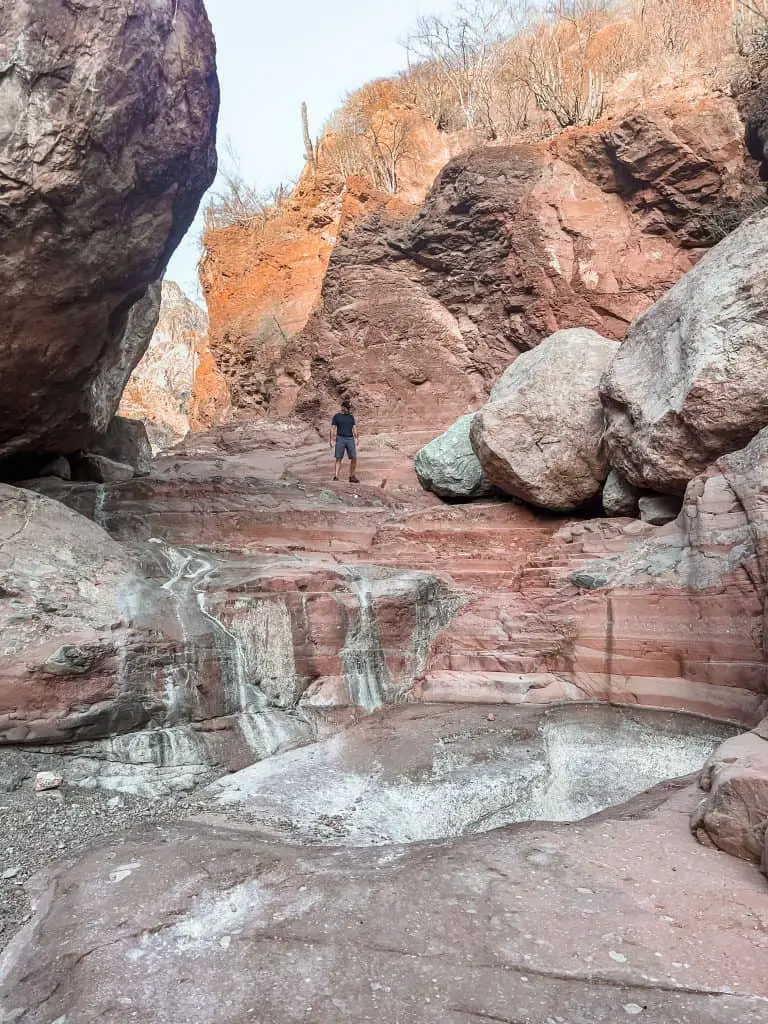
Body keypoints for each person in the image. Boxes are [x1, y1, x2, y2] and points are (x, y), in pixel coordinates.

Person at [330, 398, 359, 482]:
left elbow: (354, 428)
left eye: (349, 408)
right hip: (340, 438)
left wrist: (357, 438)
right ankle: (336, 476)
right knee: (338, 458)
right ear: (343, 407)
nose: (348, 409)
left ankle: (352, 476)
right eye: (347, 408)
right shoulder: (337, 416)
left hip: (350, 438)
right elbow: (332, 428)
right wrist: (331, 440)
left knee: (354, 457)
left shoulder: (351, 417)